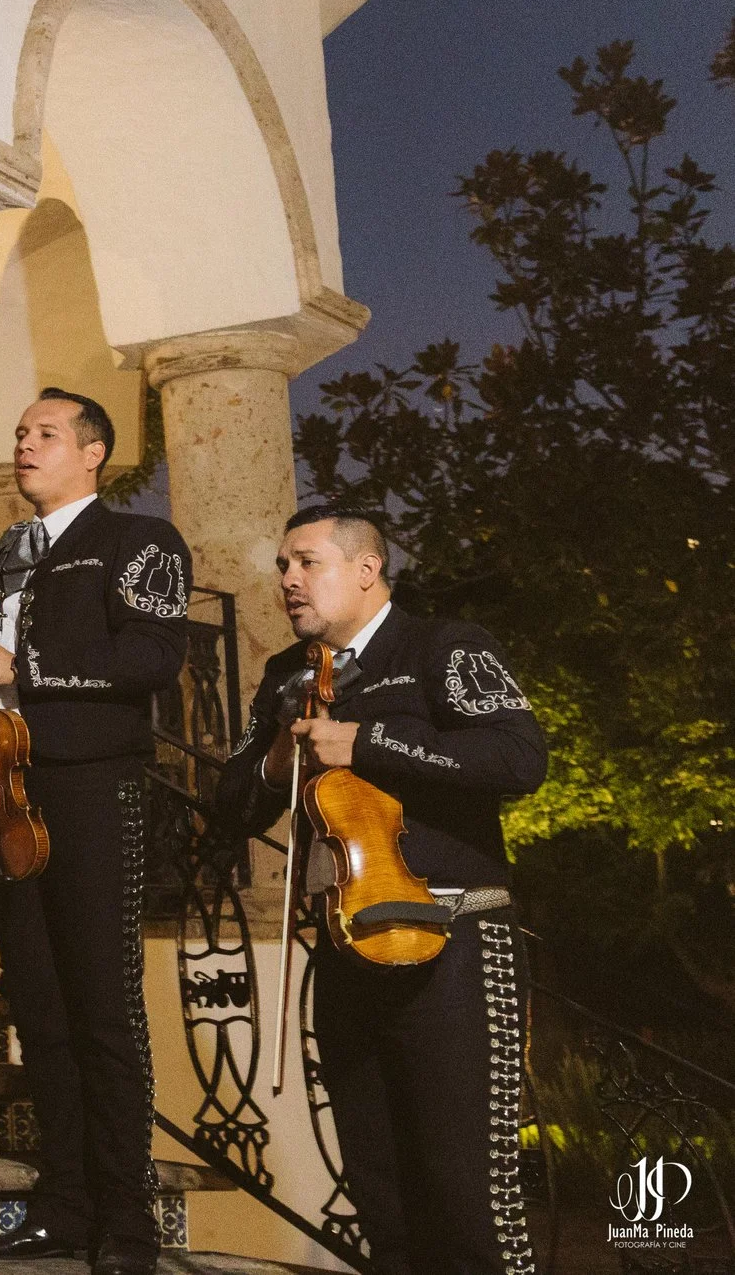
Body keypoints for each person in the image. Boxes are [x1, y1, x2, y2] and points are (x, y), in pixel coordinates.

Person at [215, 506, 545, 1275]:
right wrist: (278, 752)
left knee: (468, 1201)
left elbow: (519, 756)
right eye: (283, 566)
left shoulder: (444, 645)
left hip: (455, 944)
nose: (289, 579)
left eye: (308, 561)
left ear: (367, 569)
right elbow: (230, 804)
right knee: (382, 1200)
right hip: (345, 950)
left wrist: (365, 740)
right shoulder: (286, 674)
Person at [0, 389, 192, 1274]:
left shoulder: (139, 541)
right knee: (40, 1010)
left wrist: (24, 663)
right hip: (4, 793)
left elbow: (153, 656)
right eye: (20, 433)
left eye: (46, 433)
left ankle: (128, 1224)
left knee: (103, 1010)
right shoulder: (1, 557)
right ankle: (62, 1205)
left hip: (91, 787)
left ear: (93, 453)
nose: (25, 444)